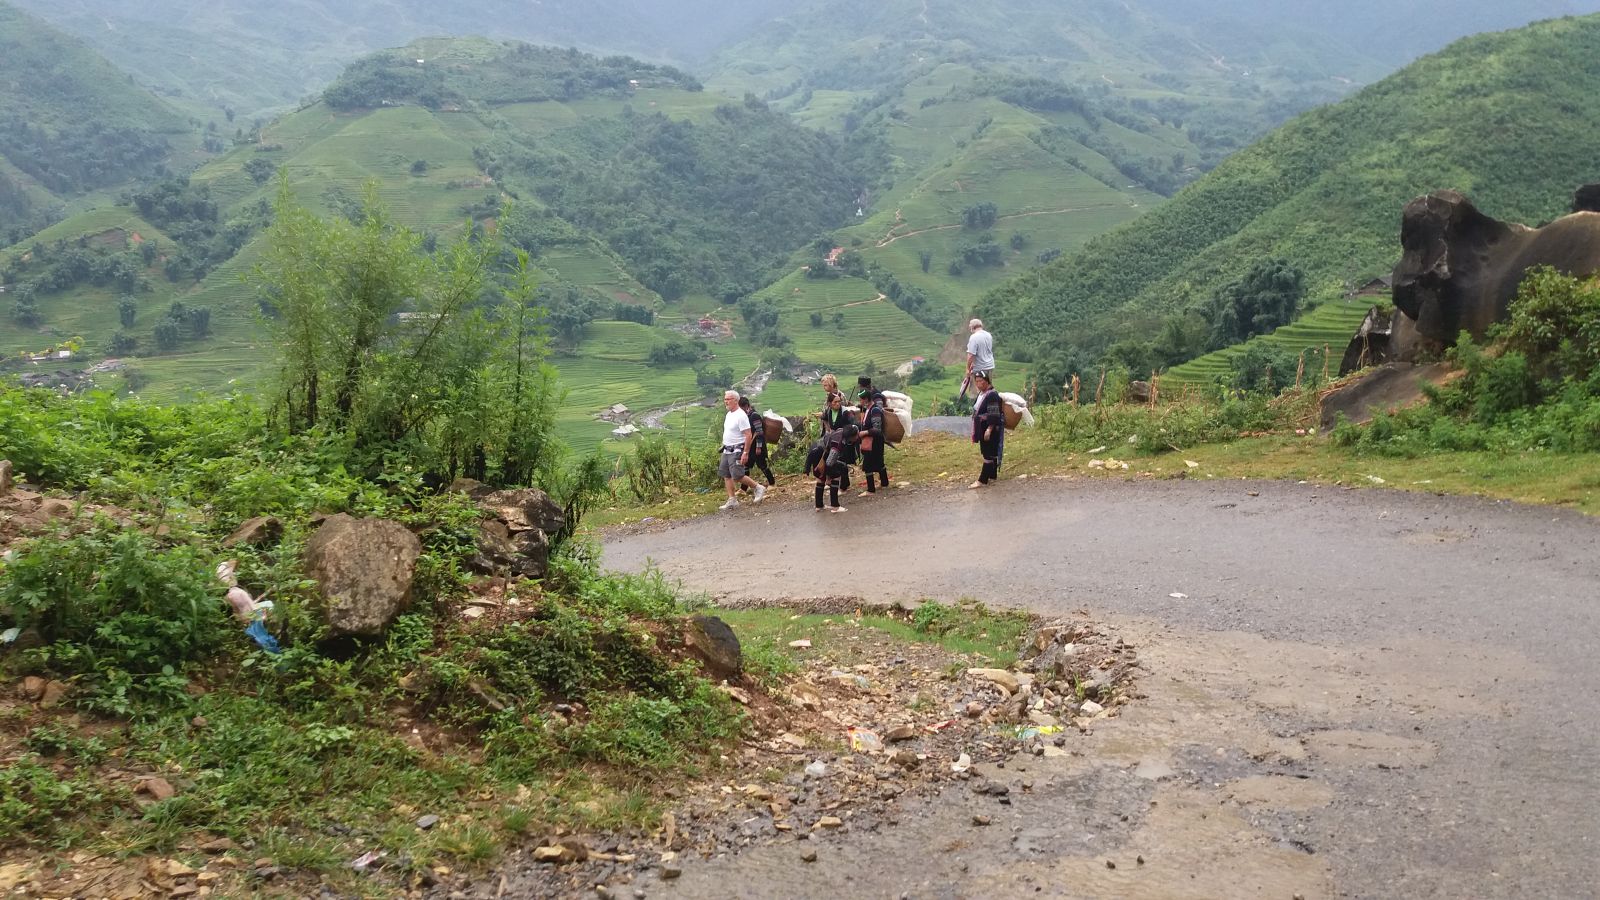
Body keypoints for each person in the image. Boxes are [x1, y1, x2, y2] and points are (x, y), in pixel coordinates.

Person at [718, 390, 765, 510]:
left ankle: (757, 487)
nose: (726, 401)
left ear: (736, 400)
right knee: (726, 475)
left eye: (728, 399)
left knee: (737, 475)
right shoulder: (729, 414)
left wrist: (745, 452)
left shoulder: (741, 415)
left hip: (737, 450)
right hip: (727, 449)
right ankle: (732, 499)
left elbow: (748, 434)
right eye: (725, 399)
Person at [812, 401, 857, 513]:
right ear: (851, 436)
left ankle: (819, 505)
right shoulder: (838, 443)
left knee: (821, 478)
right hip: (821, 455)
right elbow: (830, 462)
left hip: (817, 451)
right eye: (856, 436)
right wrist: (830, 474)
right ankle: (835, 506)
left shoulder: (841, 431)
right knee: (835, 476)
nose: (857, 438)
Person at [970, 372, 1005, 488]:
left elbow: (993, 414)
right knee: (991, 453)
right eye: (977, 381)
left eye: (981, 381)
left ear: (987, 381)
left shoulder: (991, 395)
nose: (978, 384)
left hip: (989, 428)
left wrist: (989, 429)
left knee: (987, 454)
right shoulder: (982, 393)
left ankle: (982, 480)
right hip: (982, 427)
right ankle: (992, 476)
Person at [857, 389, 890, 495]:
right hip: (873, 441)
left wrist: (864, 432)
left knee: (868, 465)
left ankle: (871, 489)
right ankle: (884, 483)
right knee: (879, 462)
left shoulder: (875, 410)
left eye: (861, 399)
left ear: (866, 399)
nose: (860, 401)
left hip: (875, 442)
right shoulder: (868, 409)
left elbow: (877, 429)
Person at [738, 395, 776, 488]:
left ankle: (772, 484)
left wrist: (758, 447)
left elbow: (759, 431)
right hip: (750, 446)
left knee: (762, 465)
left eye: (741, 408)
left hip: (757, 446)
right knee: (746, 466)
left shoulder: (754, 416)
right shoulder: (745, 417)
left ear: (746, 406)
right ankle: (743, 489)